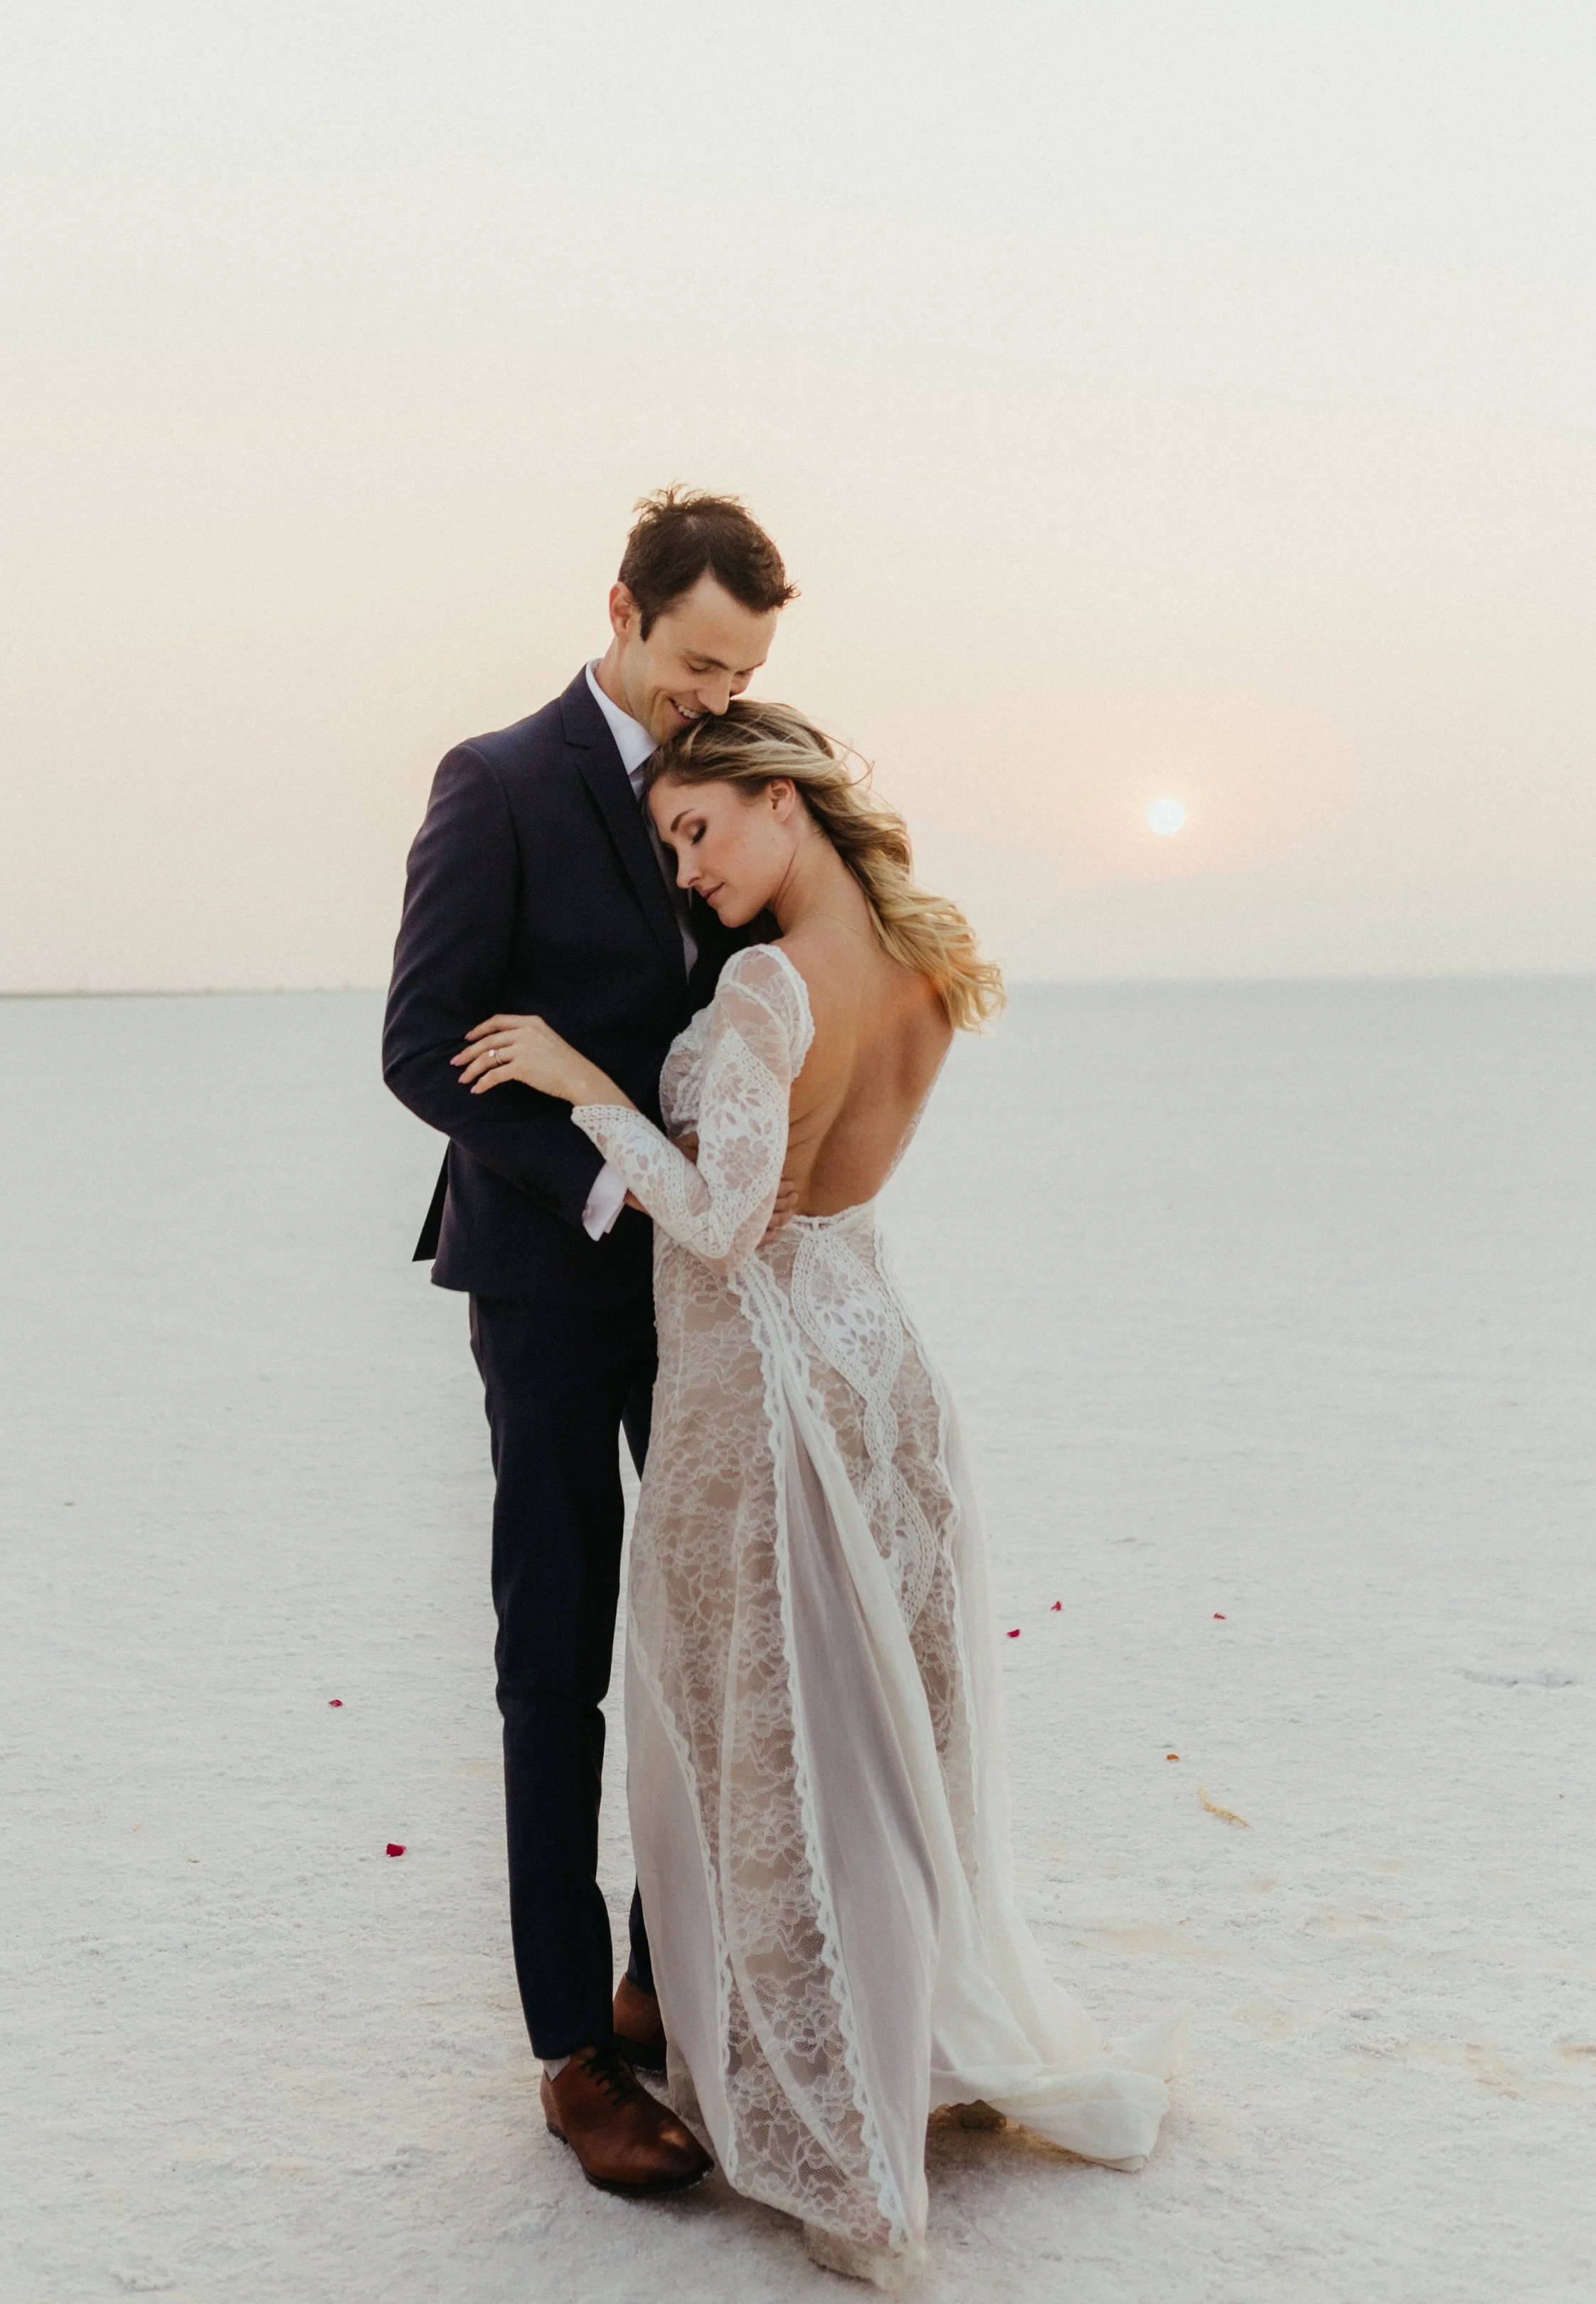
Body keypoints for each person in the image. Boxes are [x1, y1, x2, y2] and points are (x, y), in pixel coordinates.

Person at [453, 702, 1181, 2285]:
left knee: (777, 1746)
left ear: (779, 801)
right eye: (668, 848)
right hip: (877, 1361)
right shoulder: (921, 962)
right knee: (878, 1735)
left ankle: (834, 2127)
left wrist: (584, 1079)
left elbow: (718, 1224)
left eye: (701, 831)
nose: (688, 872)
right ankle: (893, 2042)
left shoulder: (772, 984)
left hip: (764, 1383)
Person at [382, 489, 797, 2195]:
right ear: (621, 610)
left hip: (706, 1294)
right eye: (697, 659)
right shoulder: (495, 780)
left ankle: (661, 1971)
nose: (712, 692)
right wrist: (608, 1180)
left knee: (696, 1645)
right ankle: (570, 2044)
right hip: (553, 1289)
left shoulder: (741, 765)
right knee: (553, 1656)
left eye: (744, 670)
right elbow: (422, 1051)